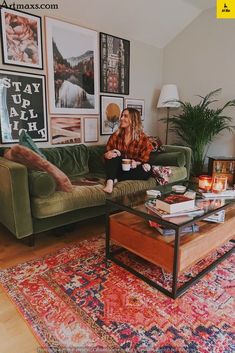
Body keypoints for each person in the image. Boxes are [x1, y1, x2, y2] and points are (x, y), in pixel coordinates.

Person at [103, 108, 153, 193]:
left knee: (147, 171)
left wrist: (136, 163)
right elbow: (106, 156)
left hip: (131, 169)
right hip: (116, 167)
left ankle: (117, 179)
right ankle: (110, 183)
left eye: (125, 116)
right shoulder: (115, 136)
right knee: (114, 155)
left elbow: (145, 159)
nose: (121, 118)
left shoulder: (143, 138)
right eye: (122, 116)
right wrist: (107, 155)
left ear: (133, 120)